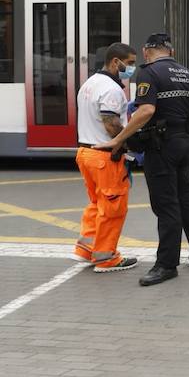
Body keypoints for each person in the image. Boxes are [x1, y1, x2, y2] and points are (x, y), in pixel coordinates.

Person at [98, 33, 189, 287]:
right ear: (170, 52)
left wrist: (119, 140)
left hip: (161, 147)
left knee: (166, 205)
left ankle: (166, 265)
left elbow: (146, 110)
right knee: (185, 198)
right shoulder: (188, 74)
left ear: (147, 51)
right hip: (183, 143)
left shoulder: (149, 72)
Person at [73, 43, 139, 273]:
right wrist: (131, 142)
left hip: (85, 153)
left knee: (97, 203)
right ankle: (106, 257)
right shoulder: (111, 89)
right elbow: (111, 123)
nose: (132, 68)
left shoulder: (90, 84)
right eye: (129, 63)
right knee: (113, 208)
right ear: (115, 62)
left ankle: (86, 248)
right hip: (104, 157)